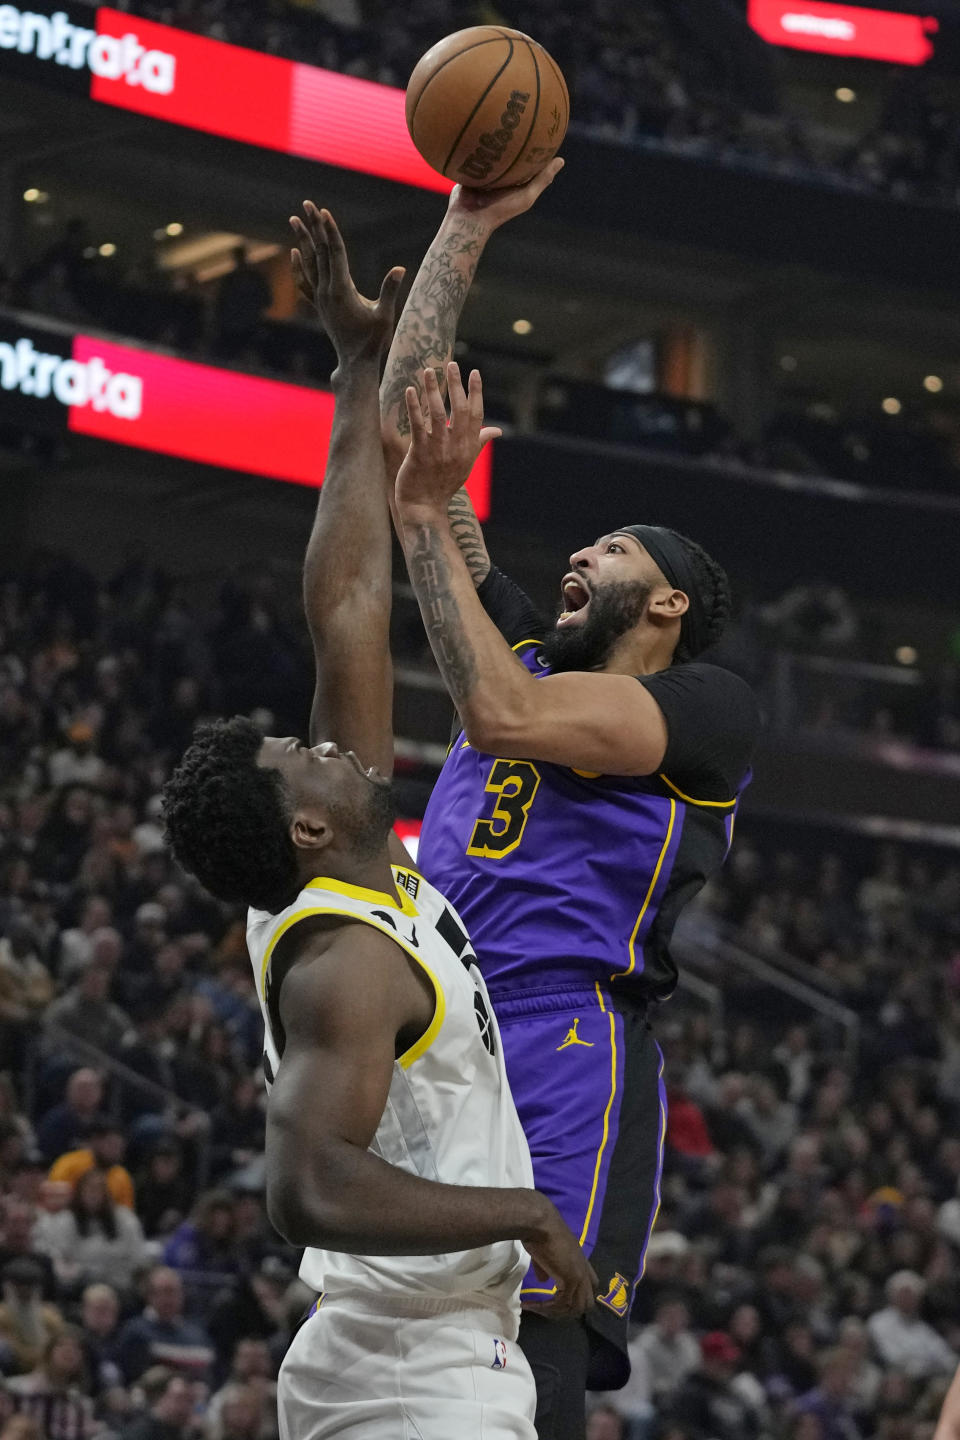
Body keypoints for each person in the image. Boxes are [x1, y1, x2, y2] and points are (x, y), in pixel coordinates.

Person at [161, 204, 595, 1439]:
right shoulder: (347, 962)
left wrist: (356, 373)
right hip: (413, 1373)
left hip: (423, 1357)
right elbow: (307, 1183)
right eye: (306, 759)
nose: (330, 750)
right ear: (305, 828)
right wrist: (519, 1210)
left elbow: (348, 599)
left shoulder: (349, 883)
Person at [379, 166, 759, 1434]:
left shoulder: (705, 707)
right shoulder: (530, 650)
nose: (578, 554)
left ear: (667, 605)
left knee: (522, 1357)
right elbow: (408, 422)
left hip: (564, 1039)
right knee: (403, 1342)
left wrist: (431, 518)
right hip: (435, 1021)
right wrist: (466, 225)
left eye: (616, 550)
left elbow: (503, 719)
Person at [33, 1165, 146, 1292]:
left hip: (118, 1284)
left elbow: (137, 1258)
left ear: (106, 1193)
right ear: (80, 1192)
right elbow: (57, 1258)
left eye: (98, 1189)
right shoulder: (64, 1221)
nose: (93, 1195)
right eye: (89, 1189)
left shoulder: (125, 1220)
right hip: (77, 1286)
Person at [115, 1266, 214, 1386]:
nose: (170, 1299)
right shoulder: (135, 1331)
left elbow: (209, 1374)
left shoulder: (198, 1334)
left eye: (175, 1292)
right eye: (165, 1291)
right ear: (149, 1295)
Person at [48, 1116, 135, 1208]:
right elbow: (54, 1198)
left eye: (119, 1146)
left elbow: (126, 1211)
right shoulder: (70, 1164)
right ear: (94, 1141)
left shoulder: (122, 1176)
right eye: (111, 1144)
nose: (116, 1151)